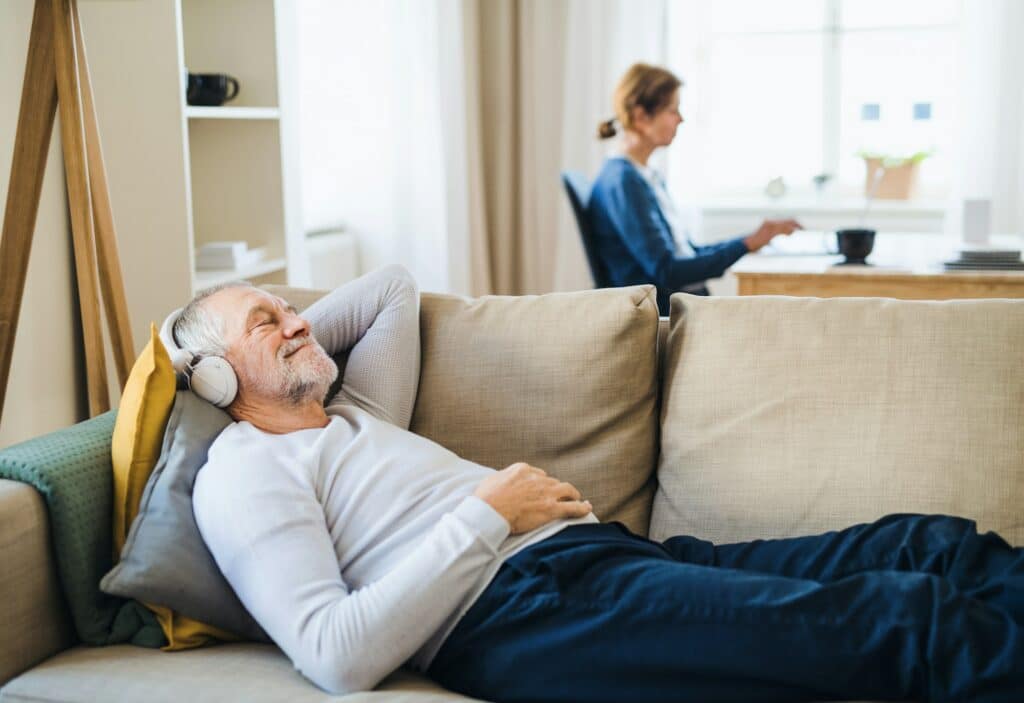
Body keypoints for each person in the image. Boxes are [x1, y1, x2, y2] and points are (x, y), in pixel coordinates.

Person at [176, 265, 1024, 703]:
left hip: (599, 562)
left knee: (928, 543)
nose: (298, 319)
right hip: (523, 611)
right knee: (904, 617)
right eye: (270, 320)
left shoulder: (355, 410)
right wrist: (486, 511)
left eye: (293, 309)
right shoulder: (247, 471)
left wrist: (281, 337)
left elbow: (392, 286)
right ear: (214, 377)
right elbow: (333, 651)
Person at [590, 63, 802, 315]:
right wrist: (747, 244)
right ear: (640, 117)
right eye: (673, 110)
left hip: (684, 306)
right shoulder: (623, 181)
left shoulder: (645, 176)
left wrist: (753, 240)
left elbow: (685, 254)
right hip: (663, 315)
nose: (681, 119)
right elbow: (668, 270)